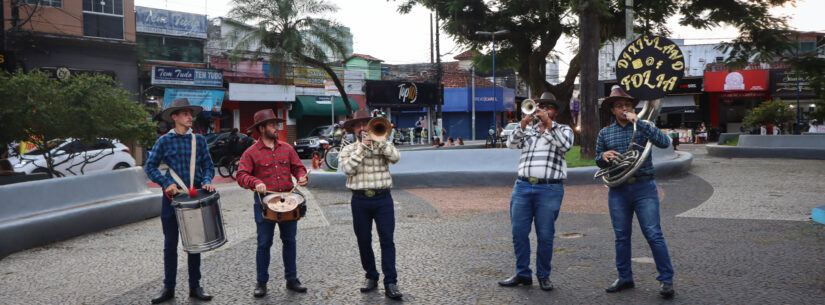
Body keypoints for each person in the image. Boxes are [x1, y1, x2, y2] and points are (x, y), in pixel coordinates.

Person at [596, 86, 675, 299]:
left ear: (633, 107)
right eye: (619, 106)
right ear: (612, 110)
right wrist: (603, 156)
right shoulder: (605, 133)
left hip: (644, 187)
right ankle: (624, 277)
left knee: (653, 234)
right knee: (621, 237)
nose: (623, 108)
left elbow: (664, 142)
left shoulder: (644, 125)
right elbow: (597, 160)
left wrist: (637, 121)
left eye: (627, 105)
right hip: (618, 189)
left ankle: (666, 280)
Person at [499, 92, 573, 291]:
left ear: (555, 111)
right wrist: (522, 125)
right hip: (522, 186)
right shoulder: (528, 129)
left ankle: (543, 275)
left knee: (545, 234)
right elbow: (510, 145)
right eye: (541, 106)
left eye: (548, 107)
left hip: (549, 187)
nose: (543, 109)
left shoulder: (563, 129)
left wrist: (548, 124)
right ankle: (523, 274)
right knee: (519, 233)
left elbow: (565, 145)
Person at [144, 98, 216, 304]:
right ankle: (169, 288)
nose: (189, 117)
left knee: (195, 244)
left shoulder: (199, 140)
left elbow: (209, 166)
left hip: (193, 197)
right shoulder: (164, 141)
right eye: (185, 113)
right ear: (174, 117)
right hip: (171, 199)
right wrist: (166, 183)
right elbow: (150, 167)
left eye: (190, 113)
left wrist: (208, 181)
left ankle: (195, 287)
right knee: (170, 244)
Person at [236, 109, 309, 297]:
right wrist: (255, 182)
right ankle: (261, 282)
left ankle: (292, 279)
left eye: (277, 124)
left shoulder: (287, 148)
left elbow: (298, 167)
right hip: (264, 203)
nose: (277, 128)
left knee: (290, 241)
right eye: (272, 125)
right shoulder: (251, 152)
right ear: (261, 128)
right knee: (264, 243)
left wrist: (301, 176)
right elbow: (241, 175)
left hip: (288, 200)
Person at [338, 110, 403, 300]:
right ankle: (371, 276)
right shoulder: (349, 149)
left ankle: (390, 281)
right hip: (360, 200)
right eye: (357, 126)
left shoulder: (383, 143)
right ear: (353, 130)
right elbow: (348, 169)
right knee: (363, 240)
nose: (361, 129)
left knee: (387, 240)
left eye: (364, 125)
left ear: (370, 126)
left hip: (383, 199)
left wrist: (380, 143)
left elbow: (396, 158)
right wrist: (362, 149)